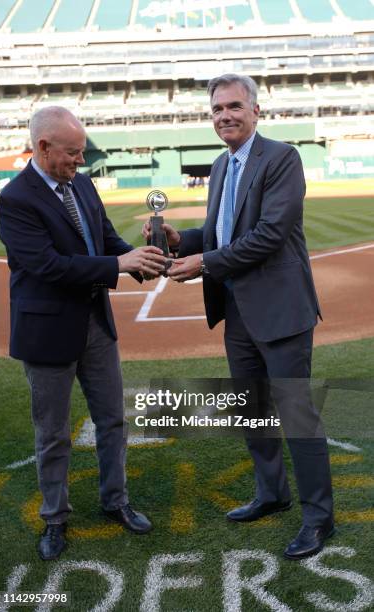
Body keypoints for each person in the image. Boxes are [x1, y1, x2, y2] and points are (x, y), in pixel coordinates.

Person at [143, 74, 334, 560]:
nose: (224, 116)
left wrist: (204, 262)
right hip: (237, 310)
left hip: (281, 310)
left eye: (233, 106)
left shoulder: (282, 158)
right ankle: (272, 493)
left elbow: (270, 234)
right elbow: (219, 230)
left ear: (255, 111)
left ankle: (318, 517)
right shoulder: (222, 165)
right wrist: (179, 241)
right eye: (216, 110)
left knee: (296, 416)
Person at [0, 106, 167, 560]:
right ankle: (55, 519)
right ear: (44, 147)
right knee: (52, 433)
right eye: (72, 153)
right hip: (49, 332)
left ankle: (117, 501)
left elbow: (107, 241)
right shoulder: (14, 200)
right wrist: (117, 265)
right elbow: (46, 266)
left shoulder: (83, 185)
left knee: (112, 419)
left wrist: (144, 255)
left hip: (95, 324)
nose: (80, 161)